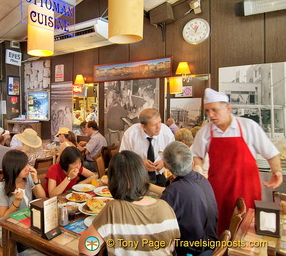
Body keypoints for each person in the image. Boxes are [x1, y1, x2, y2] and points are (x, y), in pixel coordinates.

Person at [192, 88, 283, 234]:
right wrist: (197, 167)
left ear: (228, 108)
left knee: (247, 229)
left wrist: (276, 171)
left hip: (246, 187)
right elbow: (197, 155)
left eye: (214, 110)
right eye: (207, 111)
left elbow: (270, 153)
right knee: (219, 228)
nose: (210, 115)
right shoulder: (205, 132)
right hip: (218, 190)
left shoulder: (248, 126)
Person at [79, 150, 180, 255]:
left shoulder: (113, 209)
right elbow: (173, 246)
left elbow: (86, 249)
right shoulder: (165, 206)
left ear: (113, 180)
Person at [161, 142, 218, 256]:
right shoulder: (201, 179)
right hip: (211, 246)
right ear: (192, 162)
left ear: (166, 166)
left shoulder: (173, 191)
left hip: (190, 251)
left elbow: (161, 227)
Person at [0, 150, 46, 255]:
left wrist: (36, 180)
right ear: (13, 168)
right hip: (9, 233)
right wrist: (16, 201)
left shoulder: (28, 178)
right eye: (23, 166)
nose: (28, 168)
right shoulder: (1, 188)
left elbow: (42, 198)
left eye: (27, 164)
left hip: (28, 226)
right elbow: (3, 218)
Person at [120, 108, 175, 186]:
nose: (158, 127)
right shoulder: (131, 134)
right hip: (136, 176)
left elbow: (173, 155)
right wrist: (139, 162)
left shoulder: (166, 133)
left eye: (159, 122)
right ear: (143, 126)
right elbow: (122, 158)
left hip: (159, 175)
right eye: (154, 125)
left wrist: (164, 163)